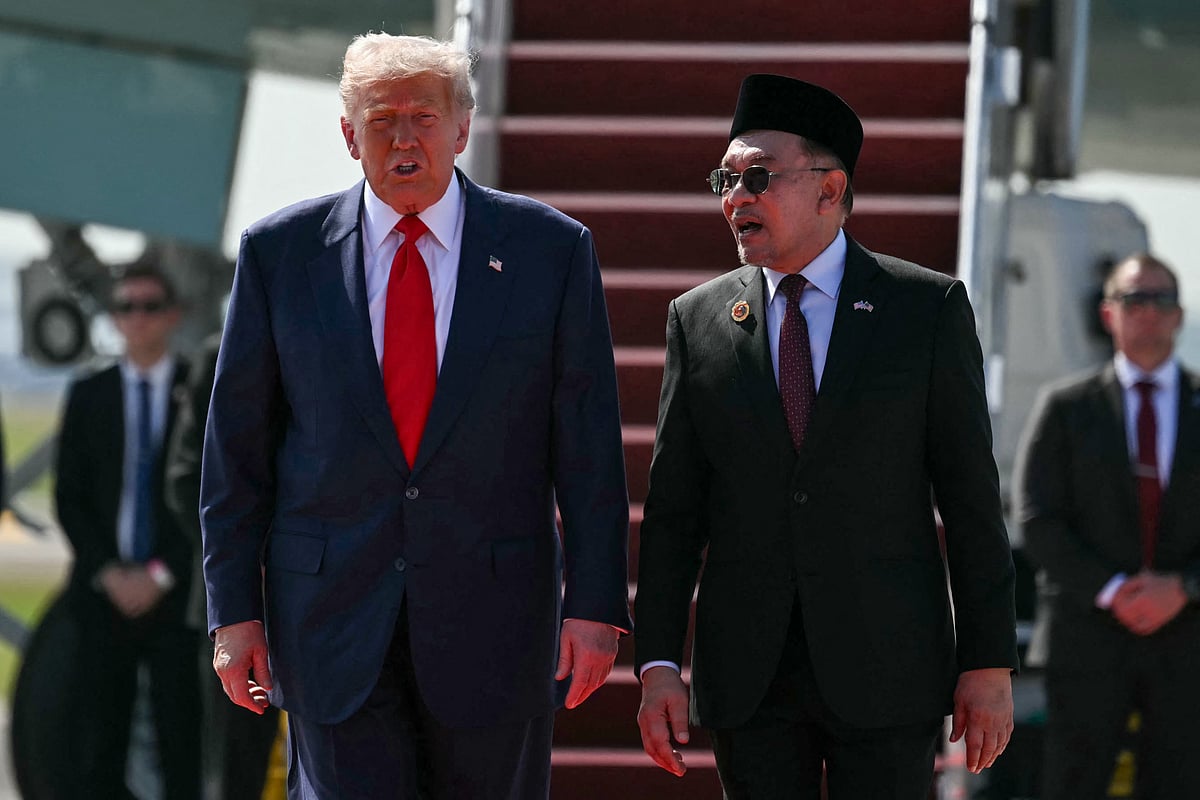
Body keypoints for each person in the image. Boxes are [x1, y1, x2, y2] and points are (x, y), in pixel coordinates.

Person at [200, 32, 631, 799]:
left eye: (424, 118)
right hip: (330, 625)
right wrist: (233, 614)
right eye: (382, 121)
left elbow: (588, 448)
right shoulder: (280, 254)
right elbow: (237, 454)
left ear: (462, 128)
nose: (404, 140)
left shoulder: (549, 251)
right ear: (348, 136)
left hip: (495, 623)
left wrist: (596, 606)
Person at [633, 74, 1019, 799]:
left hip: (889, 665)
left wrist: (988, 661)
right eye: (725, 179)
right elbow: (674, 512)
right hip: (749, 672)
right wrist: (656, 664)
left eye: (757, 177)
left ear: (830, 189)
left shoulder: (924, 309)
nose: (736, 197)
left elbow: (971, 499)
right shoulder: (698, 319)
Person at [1014, 253, 1200, 799]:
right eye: (1134, 299)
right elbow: (1036, 518)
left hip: (1187, 641)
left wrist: (1183, 588)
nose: (1148, 311)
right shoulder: (1066, 407)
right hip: (1086, 639)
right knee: (1073, 784)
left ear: (1179, 315)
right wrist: (1114, 590)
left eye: (1161, 299)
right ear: (1107, 313)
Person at [54, 261, 200, 798]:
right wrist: (110, 572)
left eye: (150, 306)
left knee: (181, 739)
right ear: (113, 318)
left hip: (175, 595)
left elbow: (207, 495)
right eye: (125, 306)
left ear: (173, 315)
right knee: (97, 744)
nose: (138, 317)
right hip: (103, 595)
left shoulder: (199, 390)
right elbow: (69, 498)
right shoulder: (88, 393)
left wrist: (160, 574)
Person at [166, 333, 282, 800]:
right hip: (237, 606)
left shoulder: (344, 334)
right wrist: (246, 561)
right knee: (235, 766)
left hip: (328, 596)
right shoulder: (222, 353)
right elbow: (185, 480)